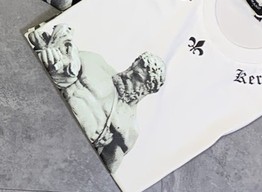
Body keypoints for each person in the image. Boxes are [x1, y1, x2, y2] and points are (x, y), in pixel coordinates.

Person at [27, 23, 166, 172]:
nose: (127, 74)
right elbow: (63, 63)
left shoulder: (128, 129)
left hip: (58, 154)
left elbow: (101, 172)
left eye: (136, 76)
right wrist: (50, 57)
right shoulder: (95, 63)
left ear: (146, 89)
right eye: (132, 67)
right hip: (38, 109)